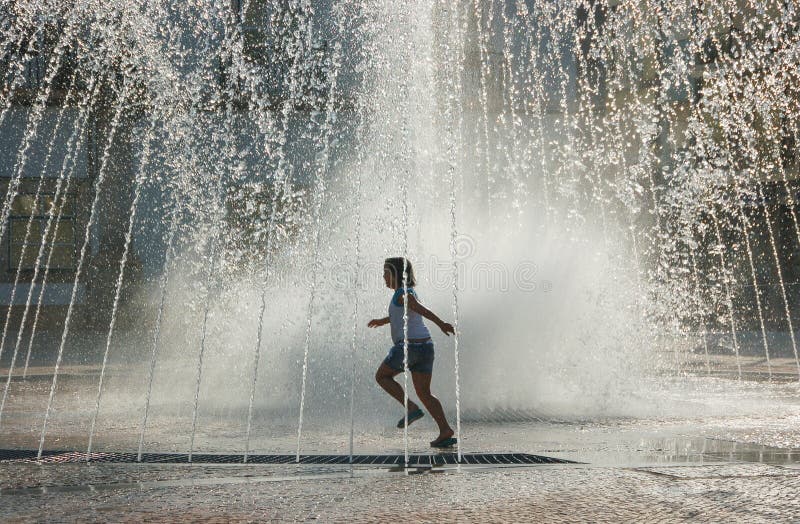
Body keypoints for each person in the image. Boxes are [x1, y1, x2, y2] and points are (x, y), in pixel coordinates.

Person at [368, 257, 457, 448]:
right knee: (425, 393)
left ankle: (411, 407)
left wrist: (441, 323)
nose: (383, 277)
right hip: (425, 347)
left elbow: (420, 309)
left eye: (386, 273)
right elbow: (401, 315)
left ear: (397, 275)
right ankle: (445, 430)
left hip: (409, 347)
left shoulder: (403, 294)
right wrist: (381, 321)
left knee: (382, 376)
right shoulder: (405, 293)